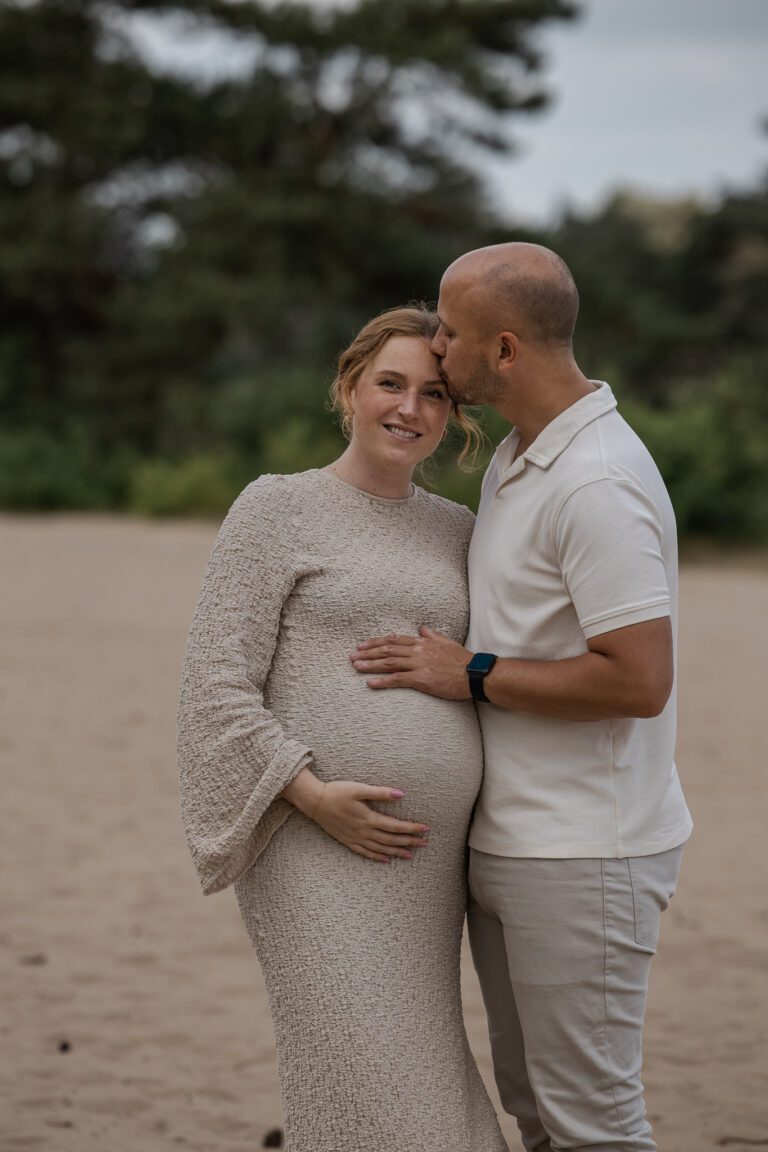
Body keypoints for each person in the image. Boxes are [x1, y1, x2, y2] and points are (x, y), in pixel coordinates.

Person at [351, 244, 693, 1152]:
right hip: (513, 840)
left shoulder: (598, 481)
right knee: (537, 1113)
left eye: (449, 331)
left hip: (586, 851)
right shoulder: (518, 452)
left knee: (594, 1125)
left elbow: (639, 679)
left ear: (504, 350)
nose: (435, 344)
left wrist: (467, 672)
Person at [177, 305, 508, 1152]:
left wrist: (463, 672)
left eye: (433, 394)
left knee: (427, 1072)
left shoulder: (460, 530)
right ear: (349, 388)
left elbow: (490, 665)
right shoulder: (276, 508)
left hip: (427, 862)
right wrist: (314, 795)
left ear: (453, 412)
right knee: (365, 1072)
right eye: (390, 384)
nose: (409, 409)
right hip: (312, 845)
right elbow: (215, 685)